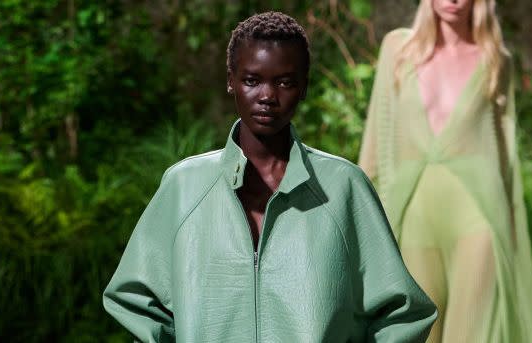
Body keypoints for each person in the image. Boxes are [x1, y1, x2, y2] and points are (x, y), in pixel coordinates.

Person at [104, 11, 437, 343]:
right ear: (231, 80)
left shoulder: (343, 187)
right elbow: (138, 304)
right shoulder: (184, 187)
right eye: (252, 80)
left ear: (303, 87)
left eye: (285, 82)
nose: (267, 95)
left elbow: (402, 313)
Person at [358, 1, 532, 342]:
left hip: (479, 217)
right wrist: (358, 216)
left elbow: (504, 154)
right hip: (412, 215)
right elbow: (377, 138)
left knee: (471, 335)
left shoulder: (495, 59)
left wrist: (512, 230)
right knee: (417, 334)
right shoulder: (397, 49)